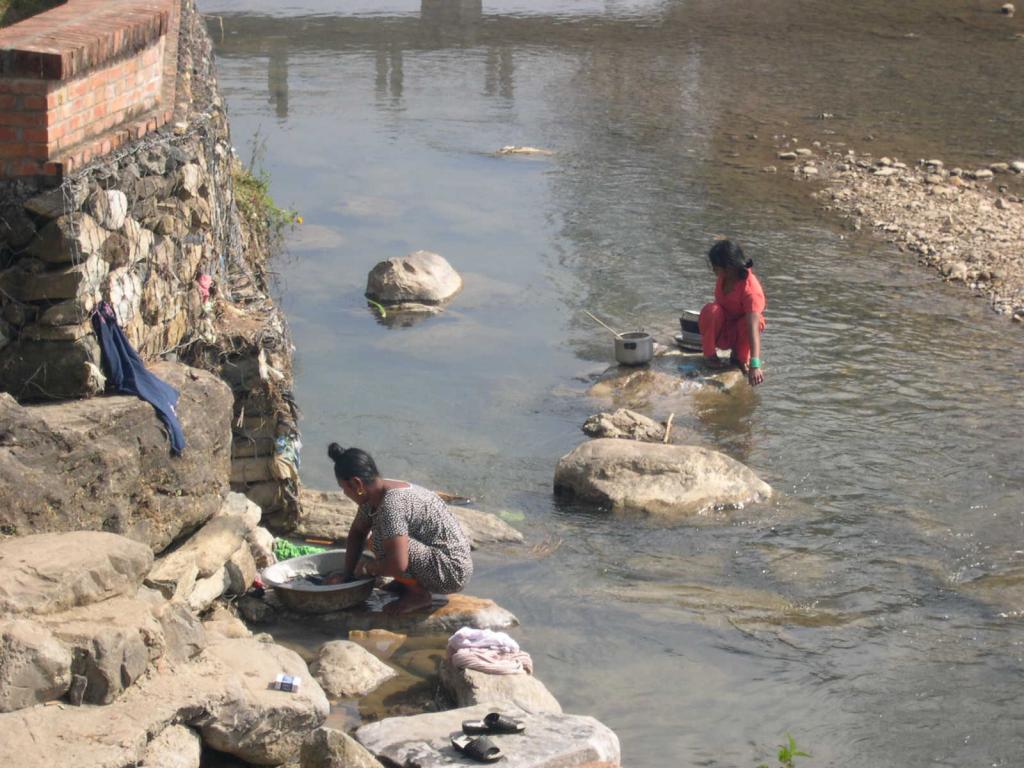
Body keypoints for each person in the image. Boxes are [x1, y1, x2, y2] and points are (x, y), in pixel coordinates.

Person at [327, 443, 473, 613]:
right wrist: (348, 574)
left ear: (356, 484)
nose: (344, 493)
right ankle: (407, 583)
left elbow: (397, 565)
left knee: (381, 540)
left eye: (343, 488)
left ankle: (419, 595)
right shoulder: (374, 494)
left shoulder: (391, 504)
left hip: (451, 572)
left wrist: (369, 568)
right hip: (434, 558)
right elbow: (357, 533)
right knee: (377, 540)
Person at [698, 239, 767, 386]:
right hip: (724, 330)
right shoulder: (724, 278)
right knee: (711, 310)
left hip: (741, 333)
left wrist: (755, 364)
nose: (713, 270)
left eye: (716, 267)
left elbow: (753, 329)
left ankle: (739, 358)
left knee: (755, 322)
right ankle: (710, 356)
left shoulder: (751, 291)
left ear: (729, 267)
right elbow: (717, 312)